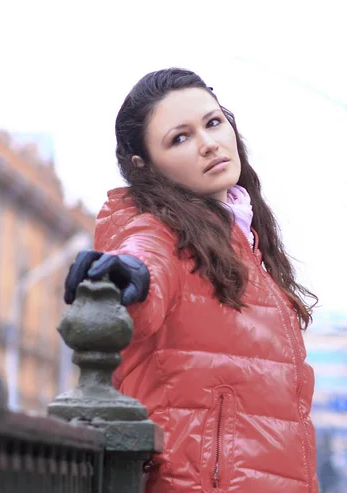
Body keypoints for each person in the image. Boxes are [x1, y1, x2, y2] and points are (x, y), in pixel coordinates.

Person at [63, 68, 319, 493]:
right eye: (180, 138)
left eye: (213, 122)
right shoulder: (161, 234)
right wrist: (130, 272)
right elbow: (143, 261)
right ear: (144, 166)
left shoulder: (247, 244)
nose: (209, 144)